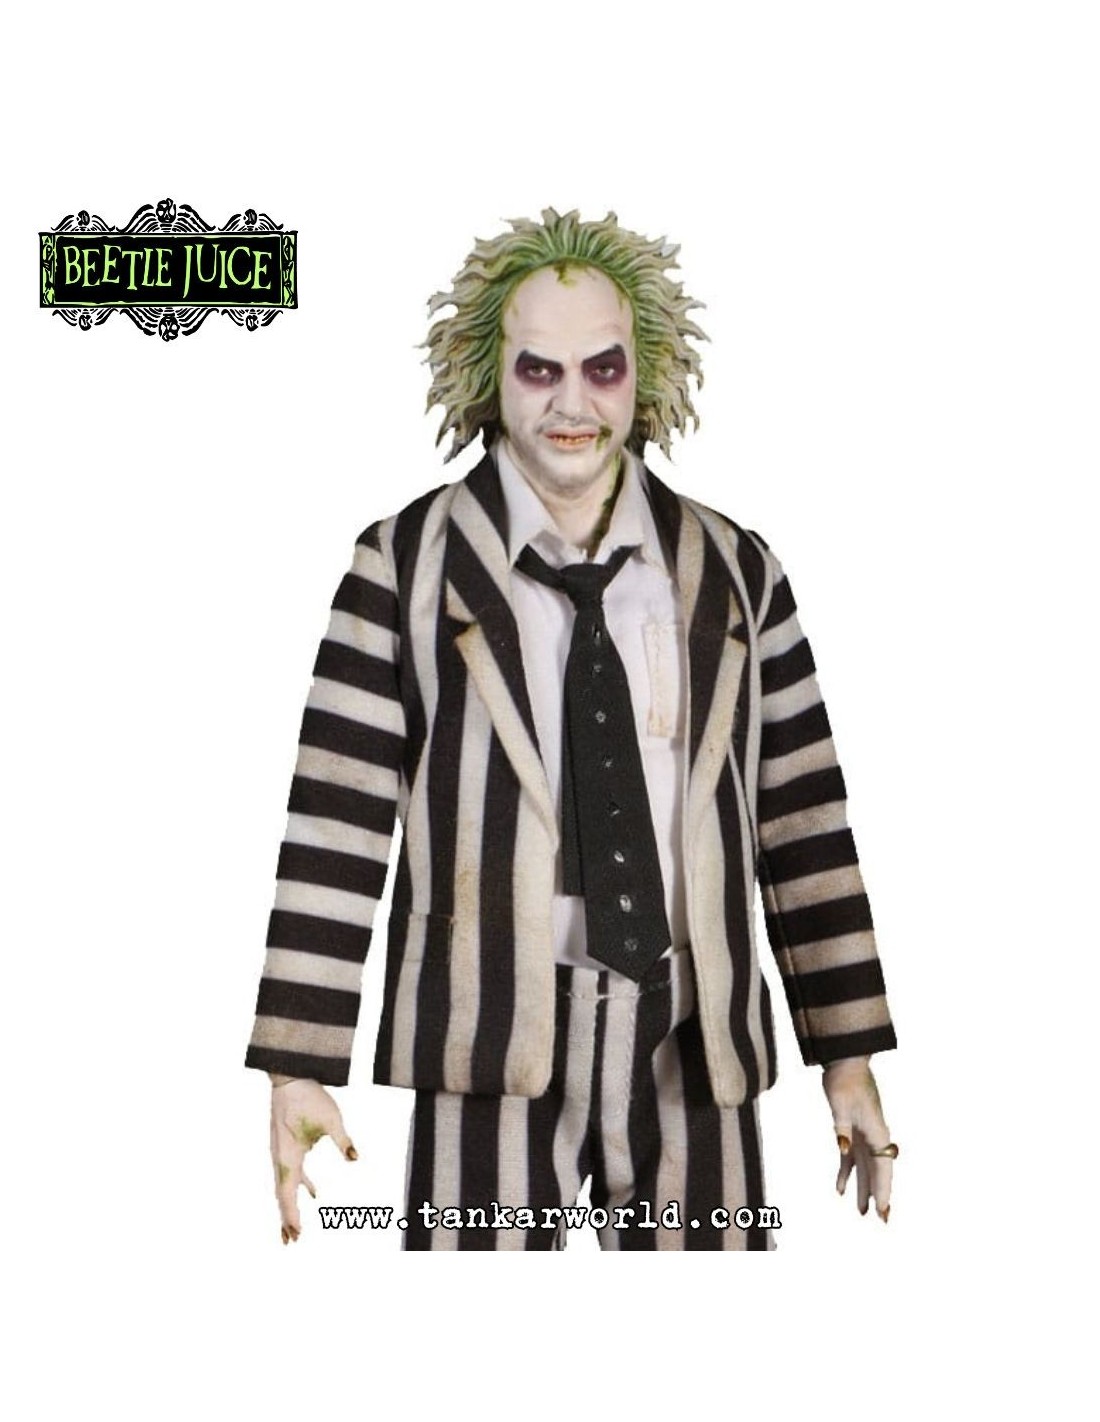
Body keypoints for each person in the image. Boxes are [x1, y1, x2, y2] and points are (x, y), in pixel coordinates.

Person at [246, 209, 898, 1251]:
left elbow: (802, 819)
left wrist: (848, 1054)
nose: (571, 403)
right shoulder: (404, 566)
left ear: (644, 372)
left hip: (692, 1030)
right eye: (538, 370)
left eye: (602, 368)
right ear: (487, 375)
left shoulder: (735, 572)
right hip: (484, 1026)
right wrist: (296, 1063)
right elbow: (335, 820)